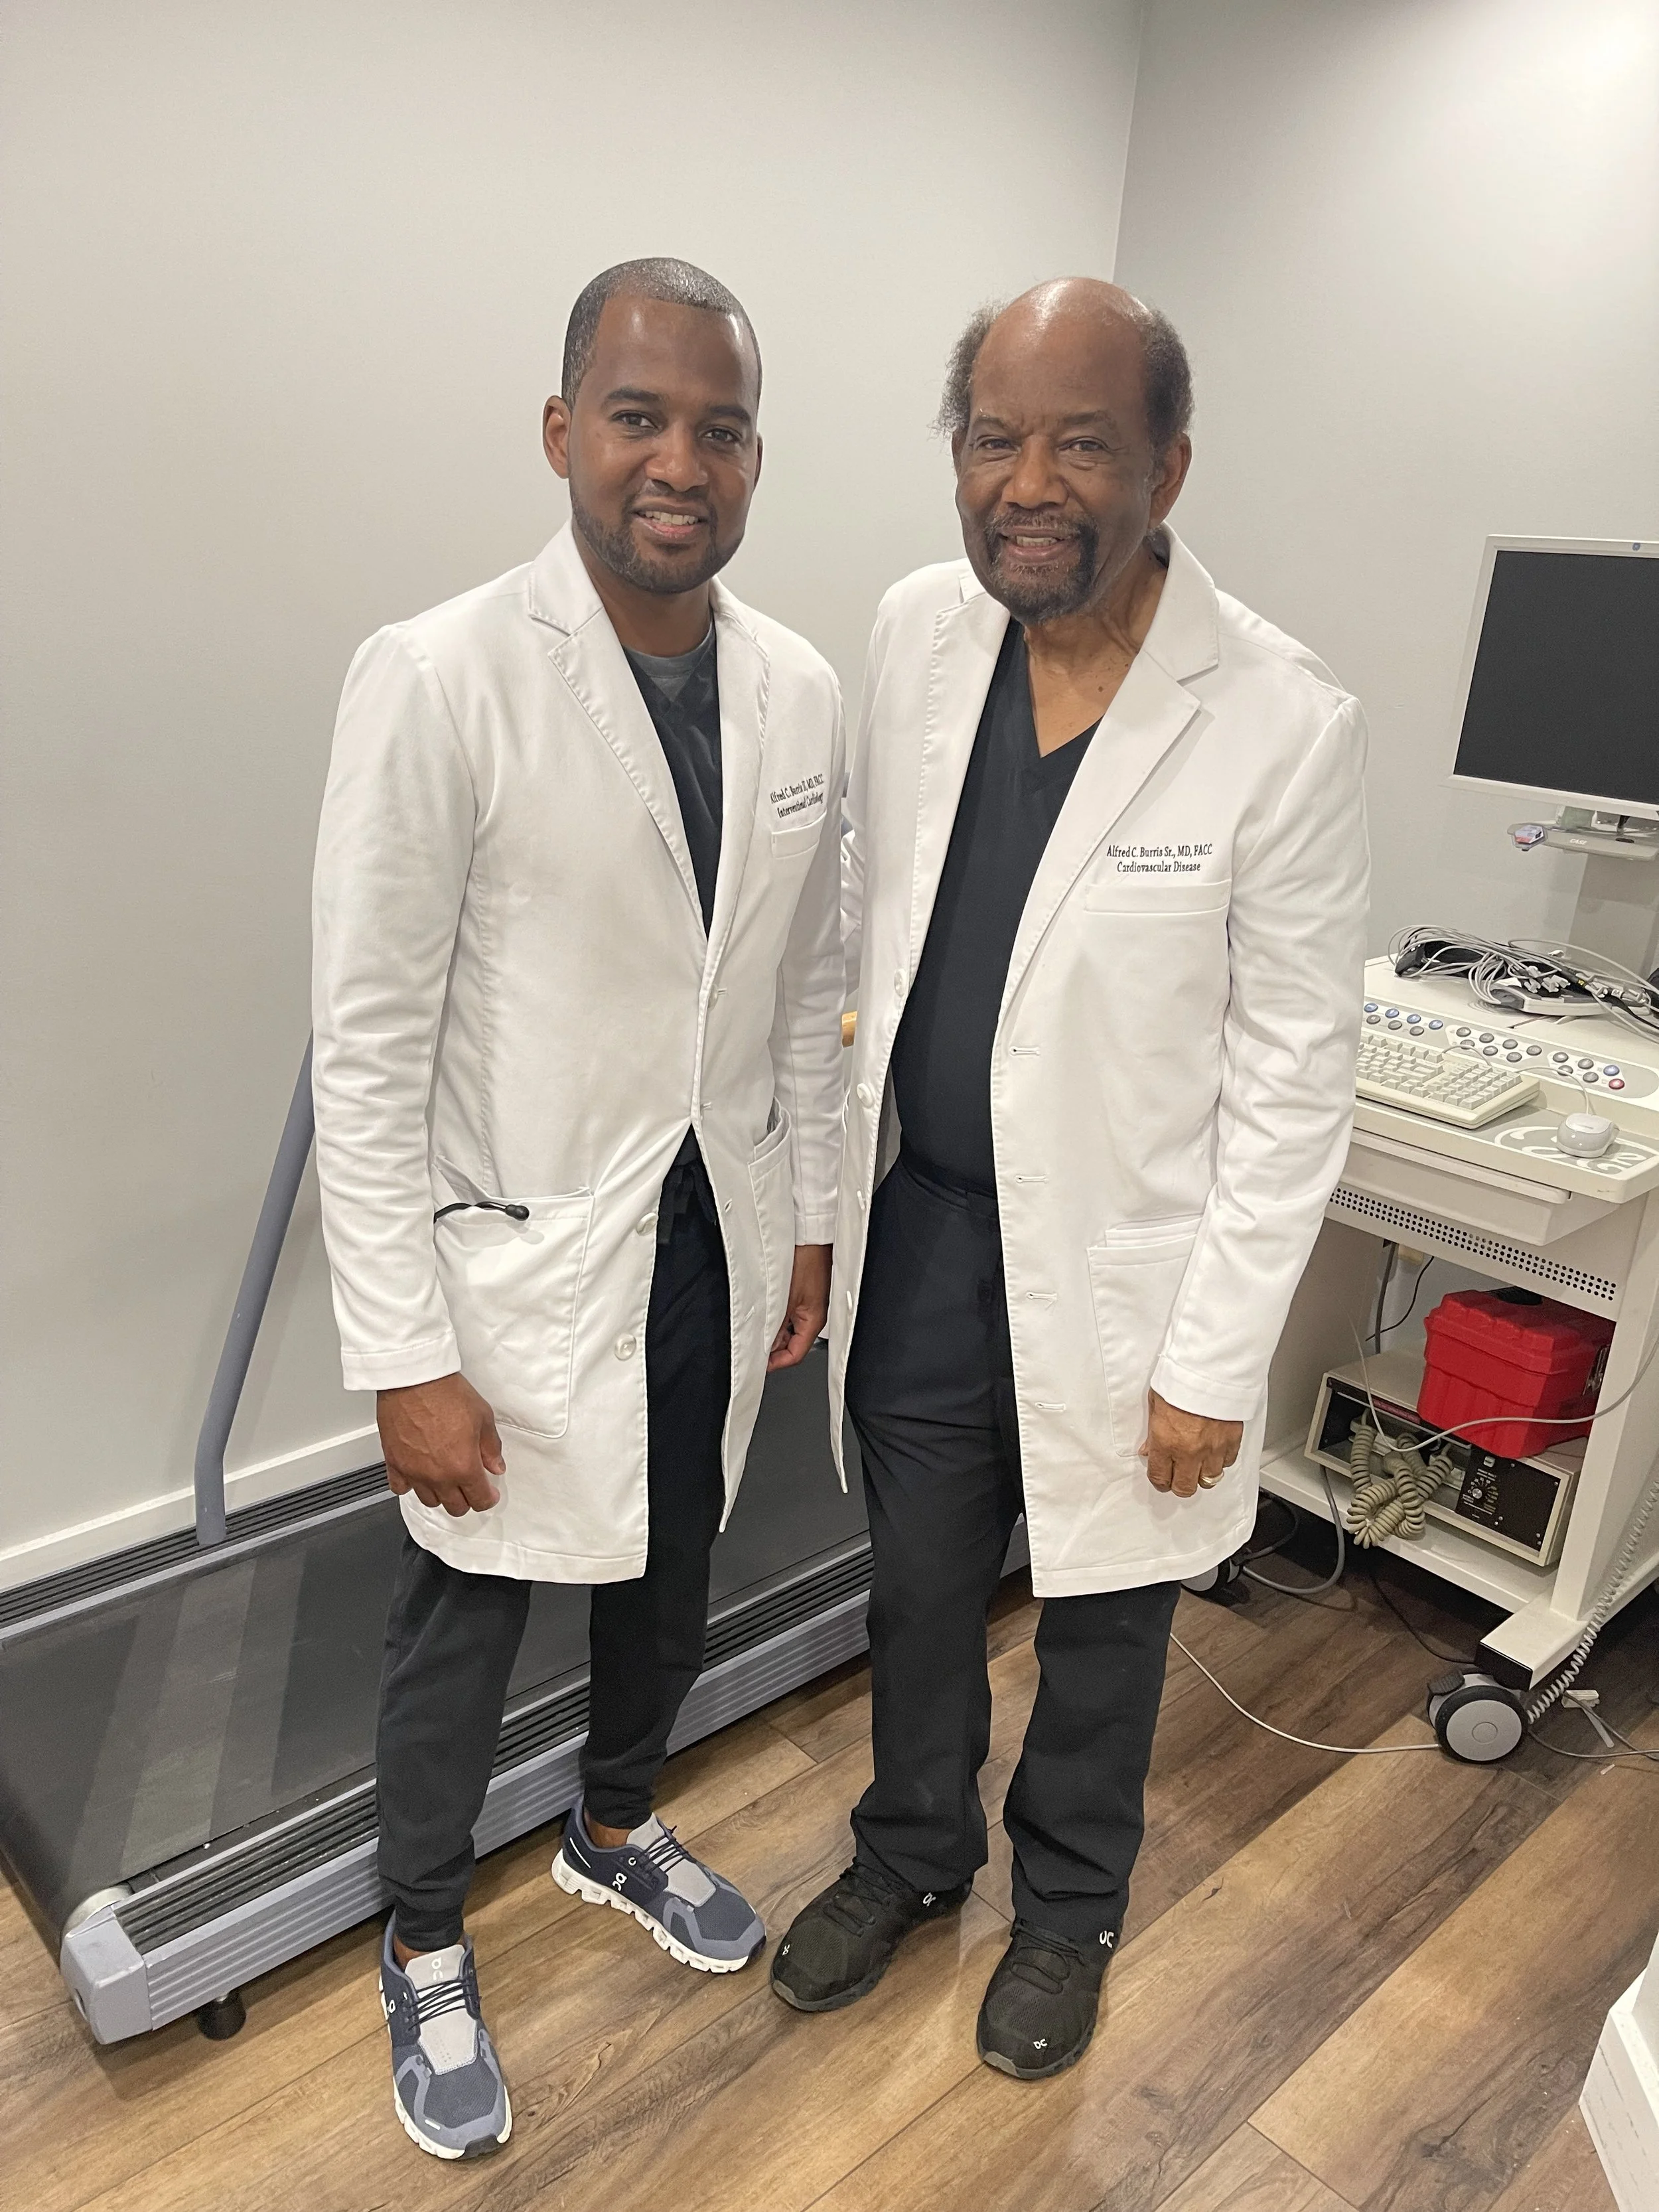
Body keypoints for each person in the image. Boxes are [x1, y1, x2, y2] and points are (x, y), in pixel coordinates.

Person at [772, 279, 1368, 2079]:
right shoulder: (913, 632)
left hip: (1130, 1266)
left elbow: (1292, 1072)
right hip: (930, 1225)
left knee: (1104, 1618)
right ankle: (908, 1852)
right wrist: (817, 1199)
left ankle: (1068, 1906)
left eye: (1080, 441)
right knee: (917, 1586)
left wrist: (1212, 1353)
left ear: (1166, 464)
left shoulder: (1279, 719)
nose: (1026, 481)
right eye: (990, 437)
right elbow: (863, 923)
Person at [312, 258, 843, 2158]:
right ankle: (423, 1930)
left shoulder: (796, 690)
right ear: (562, 432)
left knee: (671, 1569)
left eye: (716, 425)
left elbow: (801, 989)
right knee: (465, 1612)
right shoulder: (442, 672)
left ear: (754, 458)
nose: (674, 458)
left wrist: (810, 1220)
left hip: (711, 1227)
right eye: (637, 414)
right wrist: (399, 1351)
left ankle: (613, 1824)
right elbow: (366, 1050)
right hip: (515, 1255)